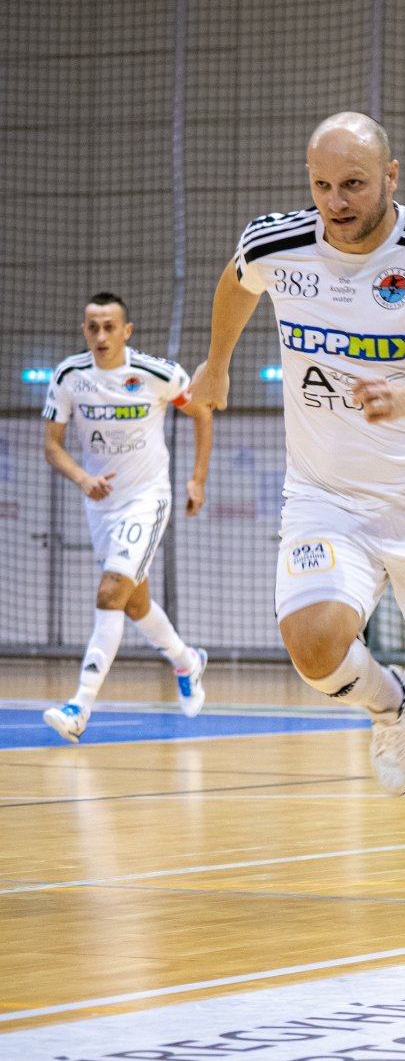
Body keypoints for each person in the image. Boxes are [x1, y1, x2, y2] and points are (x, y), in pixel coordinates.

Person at [191, 111, 405, 899]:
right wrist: (216, 365)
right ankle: (387, 700)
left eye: (354, 185)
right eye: (323, 185)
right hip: (325, 495)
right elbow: (238, 283)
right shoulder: (277, 243)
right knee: (312, 644)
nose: (336, 201)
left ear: (391, 177)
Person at [40, 293, 212, 742]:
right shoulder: (69, 376)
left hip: (147, 498)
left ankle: (80, 706)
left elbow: (201, 412)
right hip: (100, 504)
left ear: (126, 331)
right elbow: (52, 445)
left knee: (110, 592)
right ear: (85, 330)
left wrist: (198, 479)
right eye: (92, 327)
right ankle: (186, 660)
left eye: (109, 327)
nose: (101, 335)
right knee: (134, 603)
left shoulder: (156, 374)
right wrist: (82, 478)